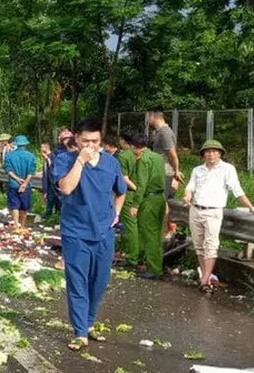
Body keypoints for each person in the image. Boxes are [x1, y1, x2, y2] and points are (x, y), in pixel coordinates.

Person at [54, 120, 127, 351]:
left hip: (104, 232)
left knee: (99, 282)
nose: (90, 145)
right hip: (75, 232)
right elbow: (66, 188)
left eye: (95, 141)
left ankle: (88, 323)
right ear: (76, 139)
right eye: (85, 141)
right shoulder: (64, 160)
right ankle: (80, 332)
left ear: (101, 140)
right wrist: (80, 161)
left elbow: (121, 191)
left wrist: (116, 213)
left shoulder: (111, 163)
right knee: (78, 281)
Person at [183, 140, 254, 293]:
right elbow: (190, 186)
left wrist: (251, 207)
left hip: (213, 212)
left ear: (220, 153)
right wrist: (187, 195)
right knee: (199, 245)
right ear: (203, 155)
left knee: (211, 245)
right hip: (195, 209)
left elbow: (237, 190)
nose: (211, 154)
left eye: (214, 151)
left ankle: (205, 280)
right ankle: (206, 276)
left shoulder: (228, 169)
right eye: (207, 151)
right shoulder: (197, 170)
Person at [125, 134, 167, 279]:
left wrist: (135, 204)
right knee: (156, 234)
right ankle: (155, 265)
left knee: (149, 234)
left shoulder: (143, 160)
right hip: (160, 198)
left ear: (132, 146)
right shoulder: (158, 157)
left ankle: (154, 269)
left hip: (148, 199)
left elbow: (141, 184)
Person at [147, 107, 184, 197]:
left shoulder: (165, 133)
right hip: (158, 171)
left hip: (165, 173)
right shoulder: (157, 132)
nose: (147, 119)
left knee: (162, 201)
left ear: (153, 116)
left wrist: (176, 171)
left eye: (148, 116)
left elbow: (172, 154)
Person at [115, 133, 139, 267]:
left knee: (130, 227)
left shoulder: (124, 156)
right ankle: (139, 254)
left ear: (124, 142)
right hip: (143, 193)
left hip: (129, 193)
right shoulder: (144, 155)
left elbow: (124, 178)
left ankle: (132, 258)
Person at [3, 135, 36, 230]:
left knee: (14, 206)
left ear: (16, 144)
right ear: (25, 144)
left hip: (13, 184)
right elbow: (31, 171)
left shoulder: (9, 155)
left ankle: (16, 225)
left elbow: (8, 170)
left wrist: (17, 179)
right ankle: (22, 226)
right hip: (26, 186)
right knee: (24, 207)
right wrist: (25, 183)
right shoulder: (31, 156)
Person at [40, 142, 61, 221]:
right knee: (50, 198)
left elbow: (53, 168)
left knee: (52, 199)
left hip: (53, 182)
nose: (41, 149)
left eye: (42, 147)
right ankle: (50, 216)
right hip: (47, 181)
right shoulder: (46, 157)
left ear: (46, 147)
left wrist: (47, 159)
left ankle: (50, 216)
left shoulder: (52, 156)